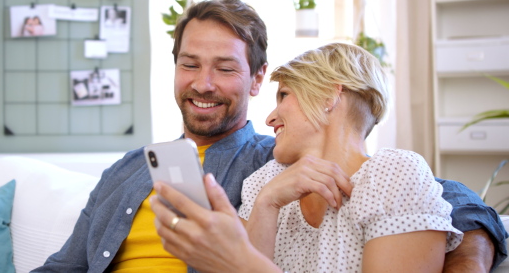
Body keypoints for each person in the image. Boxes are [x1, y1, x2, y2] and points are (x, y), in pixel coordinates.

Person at [34, 0, 507, 272]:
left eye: (224, 68)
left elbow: (454, 200)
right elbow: (65, 266)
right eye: (189, 65)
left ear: (256, 80)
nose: (202, 83)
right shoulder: (130, 168)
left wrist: (468, 260)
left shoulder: (273, 163)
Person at [182, 43, 465, 272]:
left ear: (329, 96)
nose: (269, 118)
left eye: (284, 95)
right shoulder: (265, 184)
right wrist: (267, 203)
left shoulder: (392, 175)